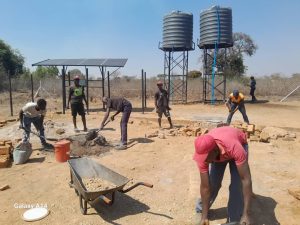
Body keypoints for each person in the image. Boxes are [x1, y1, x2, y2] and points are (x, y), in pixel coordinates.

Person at [193, 126, 253, 225]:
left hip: (235, 146)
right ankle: (202, 210)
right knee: (213, 183)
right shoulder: (203, 151)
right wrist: (204, 217)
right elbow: (205, 187)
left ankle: (234, 219)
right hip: (220, 151)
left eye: (206, 158)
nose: (204, 161)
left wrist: (246, 214)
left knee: (236, 186)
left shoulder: (235, 147)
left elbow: (245, 179)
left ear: (215, 150)